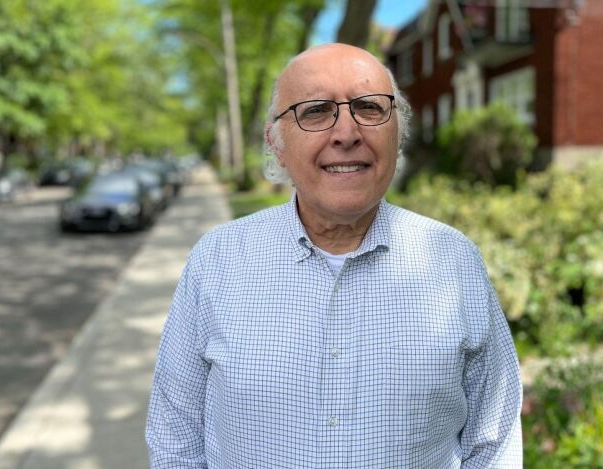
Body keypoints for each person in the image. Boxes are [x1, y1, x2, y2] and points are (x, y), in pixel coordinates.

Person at [146, 43, 522, 468]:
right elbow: (175, 435)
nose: (346, 133)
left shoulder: (455, 262)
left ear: (397, 133)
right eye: (316, 111)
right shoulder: (216, 261)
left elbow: (494, 442)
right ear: (277, 143)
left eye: (369, 107)